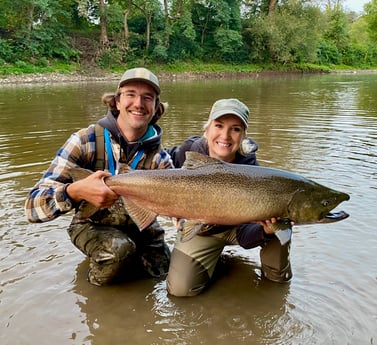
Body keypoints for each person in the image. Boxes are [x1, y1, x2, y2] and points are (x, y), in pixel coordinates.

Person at [25, 67, 172, 286]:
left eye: (147, 97)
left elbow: (179, 208)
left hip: (141, 228)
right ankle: (91, 287)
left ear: (155, 107)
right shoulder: (84, 141)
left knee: (165, 273)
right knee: (118, 250)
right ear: (117, 101)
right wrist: (74, 191)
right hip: (90, 225)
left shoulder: (160, 158)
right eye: (130, 94)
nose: (138, 103)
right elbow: (31, 208)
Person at [166, 98, 292, 297]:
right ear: (206, 129)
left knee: (281, 226)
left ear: (243, 135)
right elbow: (158, 166)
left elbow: (244, 234)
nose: (225, 135)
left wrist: (265, 231)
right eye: (218, 125)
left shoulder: (252, 171)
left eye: (235, 129)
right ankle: (213, 260)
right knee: (181, 291)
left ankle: (276, 283)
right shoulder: (187, 152)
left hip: (237, 228)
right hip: (204, 230)